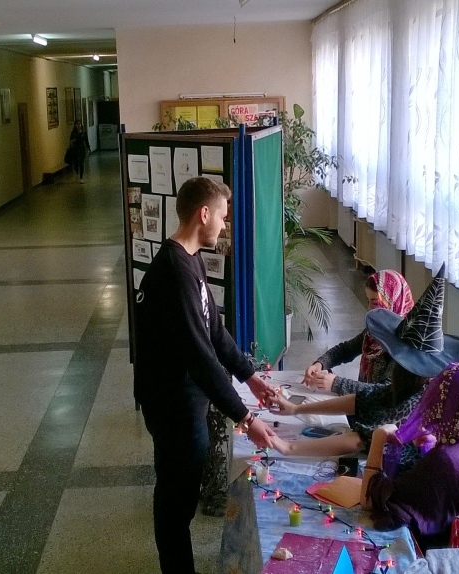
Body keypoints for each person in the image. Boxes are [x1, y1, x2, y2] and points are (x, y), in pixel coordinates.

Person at [133, 176, 277, 574]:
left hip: (186, 403)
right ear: (204, 214)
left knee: (181, 497)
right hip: (174, 408)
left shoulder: (190, 258)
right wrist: (246, 418)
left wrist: (250, 377)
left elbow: (214, 329)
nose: (225, 225)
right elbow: (200, 356)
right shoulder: (174, 271)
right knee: (175, 504)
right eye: (223, 217)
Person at [269, 264, 459, 461]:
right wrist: (296, 408)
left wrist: (288, 447)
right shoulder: (409, 383)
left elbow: (361, 439)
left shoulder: (416, 398)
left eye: (374, 302)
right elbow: (367, 399)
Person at [361, 362, 459, 552]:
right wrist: (436, 442)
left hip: (437, 549)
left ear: (448, 405)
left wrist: (378, 438)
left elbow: (369, 501)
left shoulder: (444, 461)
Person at [304, 269, 414, 393]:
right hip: (365, 403)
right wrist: (320, 363)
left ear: (393, 302)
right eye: (368, 301)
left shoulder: (405, 344)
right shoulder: (377, 331)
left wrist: (336, 383)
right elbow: (346, 350)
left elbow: (385, 392)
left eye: (375, 302)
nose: (369, 308)